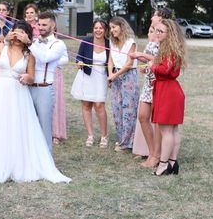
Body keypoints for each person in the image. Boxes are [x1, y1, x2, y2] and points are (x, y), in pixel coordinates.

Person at [0, 14, 70, 183]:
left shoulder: (30, 53)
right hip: (1, 91)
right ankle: (0, 163)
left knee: (19, 127)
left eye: (21, 33)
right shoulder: (0, 48)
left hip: (19, 93)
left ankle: (27, 162)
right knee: (0, 125)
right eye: (15, 32)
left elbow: (32, 75)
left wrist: (28, 77)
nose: (17, 36)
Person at [131, 19, 186, 176]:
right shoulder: (168, 48)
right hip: (168, 90)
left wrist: (152, 66)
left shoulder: (169, 50)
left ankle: (163, 164)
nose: (157, 34)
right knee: (173, 130)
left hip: (168, 91)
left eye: (160, 31)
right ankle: (172, 162)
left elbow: (166, 70)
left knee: (167, 131)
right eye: (156, 31)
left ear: (169, 34)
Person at [132, 7, 173, 167]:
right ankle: (151, 152)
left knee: (157, 121)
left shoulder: (167, 37)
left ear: (161, 17)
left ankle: (156, 156)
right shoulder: (152, 34)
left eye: (154, 15)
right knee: (142, 116)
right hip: (148, 83)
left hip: (160, 83)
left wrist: (142, 56)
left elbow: (162, 60)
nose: (151, 18)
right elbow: (149, 61)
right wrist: (143, 64)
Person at [27, 11, 68, 153]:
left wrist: (29, 44)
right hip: (28, 88)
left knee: (45, 127)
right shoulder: (34, 42)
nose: (41, 27)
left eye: (44, 25)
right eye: (39, 24)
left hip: (45, 89)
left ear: (53, 25)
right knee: (29, 125)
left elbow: (45, 57)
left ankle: (47, 160)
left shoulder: (59, 44)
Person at [71, 19, 110, 148]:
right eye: (96, 28)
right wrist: (79, 62)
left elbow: (112, 62)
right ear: (93, 29)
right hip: (87, 76)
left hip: (101, 78)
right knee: (86, 104)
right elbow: (79, 57)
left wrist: (111, 78)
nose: (98, 30)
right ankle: (90, 135)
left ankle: (104, 136)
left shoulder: (109, 44)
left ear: (105, 30)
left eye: (101, 28)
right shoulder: (86, 41)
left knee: (99, 105)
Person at [107, 16, 139, 152]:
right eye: (110, 28)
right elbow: (110, 60)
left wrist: (114, 75)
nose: (112, 30)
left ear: (121, 27)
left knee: (129, 109)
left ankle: (128, 142)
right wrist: (110, 75)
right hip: (115, 77)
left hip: (128, 76)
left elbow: (129, 63)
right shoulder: (112, 42)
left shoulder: (131, 42)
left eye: (114, 27)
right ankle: (121, 139)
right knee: (117, 108)